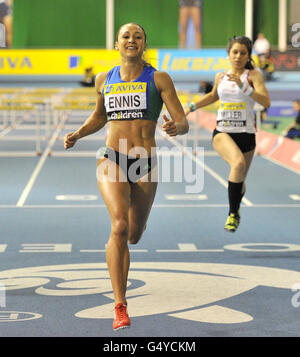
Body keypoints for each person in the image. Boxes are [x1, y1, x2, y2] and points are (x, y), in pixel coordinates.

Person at [64, 22, 189, 330]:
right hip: (112, 157)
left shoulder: (159, 78)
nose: (131, 40)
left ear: (144, 44)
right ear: (116, 44)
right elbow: (99, 116)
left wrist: (176, 127)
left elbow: (183, 120)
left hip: (145, 163)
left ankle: (130, 245)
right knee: (118, 226)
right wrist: (78, 134)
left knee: (134, 233)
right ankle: (120, 305)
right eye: (126, 36)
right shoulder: (103, 79)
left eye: (138, 37)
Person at [185, 36, 270, 232]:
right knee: (238, 164)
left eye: (243, 53)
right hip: (223, 132)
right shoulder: (220, 76)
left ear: (248, 55)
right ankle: (233, 214)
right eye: (235, 52)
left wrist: (245, 88)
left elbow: (266, 102)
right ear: (228, 54)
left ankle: (236, 204)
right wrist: (191, 107)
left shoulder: (253, 76)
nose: (238, 56)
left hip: (247, 135)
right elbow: (213, 95)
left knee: (240, 183)